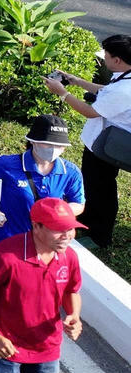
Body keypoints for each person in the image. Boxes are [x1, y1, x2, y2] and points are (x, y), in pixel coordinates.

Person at [0, 198, 83, 373]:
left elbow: (71, 290)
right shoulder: (5, 257)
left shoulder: (69, 257)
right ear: (36, 226)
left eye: (70, 229)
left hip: (48, 349)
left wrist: (74, 315)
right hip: (5, 348)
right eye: (58, 229)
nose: (67, 236)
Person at [44, 33, 131, 249]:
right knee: (92, 185)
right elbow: (106, 91)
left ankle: (100, 236)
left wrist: (63, 93)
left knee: (102, 189)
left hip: (106, 148)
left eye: (106, 55)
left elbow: (89, 111)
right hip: (99, 143)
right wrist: (76, 81)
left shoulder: (125, 90)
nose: (104, 58)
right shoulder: (125, 75)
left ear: (117, 60)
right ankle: (87, 221)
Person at [0, 114, 85, 246]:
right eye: (47, 144)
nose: (53, 149)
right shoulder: (7, 164)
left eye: (59, 145)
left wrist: (59, 211)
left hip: (45, 245)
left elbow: (79, 204)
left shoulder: (71, 172)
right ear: (33, 141)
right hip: (6, 241)